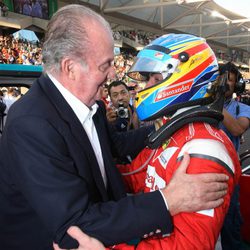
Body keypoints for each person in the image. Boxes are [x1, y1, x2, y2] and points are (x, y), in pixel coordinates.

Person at [0, 6, 229, 250]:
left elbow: (115, 149)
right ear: (70, 68)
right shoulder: (31, 123)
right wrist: (167, 200)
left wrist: (169, 127)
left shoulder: (92, 106)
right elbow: (74, 226)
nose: (112, 74)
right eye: (105, 65)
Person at [55, 33, 242, 250]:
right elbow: (134, 176)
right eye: (147, 78)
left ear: (186, 77)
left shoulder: (205, 148)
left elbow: (187, 245)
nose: (145, 86)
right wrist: (82, 174)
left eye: (155, 79)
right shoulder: (172, 132)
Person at [219, 62, 250, 250]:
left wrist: (214, 105)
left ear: (237, 84)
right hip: (202, 174)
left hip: (229, 175)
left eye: (231, 80)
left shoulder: (242, 108)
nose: (226, 84)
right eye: (223, 80)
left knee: (230, 227)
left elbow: (238, 129)